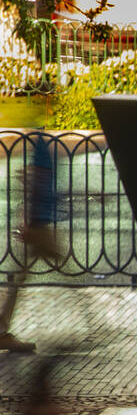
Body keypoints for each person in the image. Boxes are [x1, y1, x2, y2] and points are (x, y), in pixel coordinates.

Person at [0, 112, 63, 354]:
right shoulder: (40, 143)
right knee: (65, 267)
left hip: (39, 221)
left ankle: (2, 330)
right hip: (39, 224)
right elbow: (37, 182)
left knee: (19, 276)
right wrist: (28, 221)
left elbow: (34, 181)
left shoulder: (40, 141)